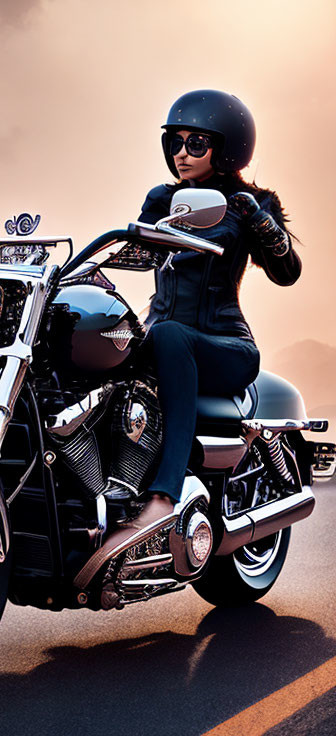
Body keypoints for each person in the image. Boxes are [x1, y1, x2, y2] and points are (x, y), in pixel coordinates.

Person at [135, 89, 302, 521]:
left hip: (224, 346)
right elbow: (135, 254)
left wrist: (261, 222)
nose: (182, 154)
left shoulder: (251, 203)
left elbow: (288, 272)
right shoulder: (161, 200)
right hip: (162, 338)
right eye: (175, 142)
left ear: (226, 148)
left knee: (169, 335)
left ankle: (164, 495)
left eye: (196, 143)